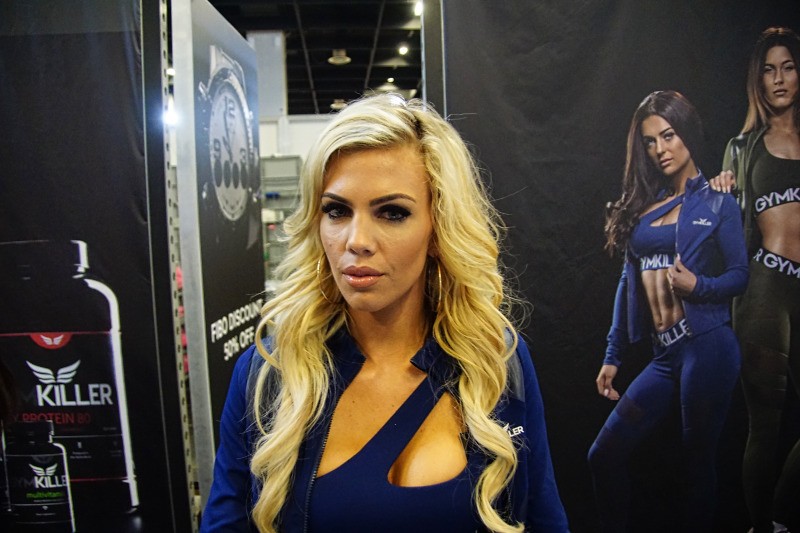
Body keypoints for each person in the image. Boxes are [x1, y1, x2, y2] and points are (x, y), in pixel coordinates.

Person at [200, 94, 569, 532]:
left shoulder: (494, 360)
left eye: (392, 213)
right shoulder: (271, 373)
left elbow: (544, 517)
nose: (356, 240)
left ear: (438, 228)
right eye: (337, 211)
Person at [588, 90, 748, 532]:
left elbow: (740, 275)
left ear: (687, 133)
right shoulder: (645, 207)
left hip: (708, 346)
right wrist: (613, 354)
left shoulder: (717, 201)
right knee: (604, 455)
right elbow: (627, 284)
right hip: (665, 356)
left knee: (697, 465)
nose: (660, 149)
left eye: (669, 135)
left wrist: (700, 286)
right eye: (650, 141)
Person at [711, 26, 800, 533]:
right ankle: (762, 527)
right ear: (758, 81)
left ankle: (778, 517)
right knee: (765, 424)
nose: (779, 78)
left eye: (788, 67)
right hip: (767, 290)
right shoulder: (743, 147)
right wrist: (721, 193)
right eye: (769, 70)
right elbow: (723, 229)